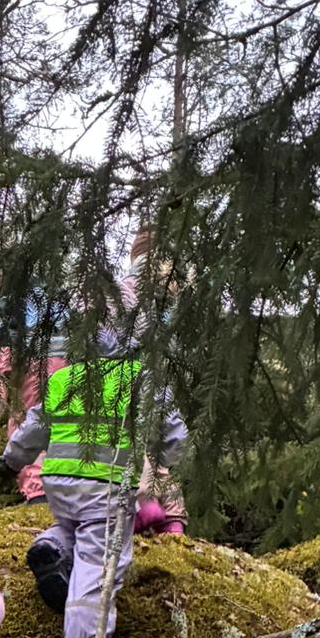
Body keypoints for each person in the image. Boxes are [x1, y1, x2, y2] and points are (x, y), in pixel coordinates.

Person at [0, 321, 186, 638]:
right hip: (104, 484)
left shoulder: (64, 378)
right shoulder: (140, 379)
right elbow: (174, 434)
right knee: (99, 564)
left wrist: (10, 462)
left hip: (59, 483)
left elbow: (34, 427)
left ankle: (53, 546)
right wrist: (164, 464)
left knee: (73, 526)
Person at [121, 227, 187, 537]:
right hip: (160, 379)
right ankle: (173, 525)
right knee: (162, 455)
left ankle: (142, 510)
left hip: (128, 378)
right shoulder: (169, 294)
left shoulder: (124, 290)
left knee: (133, 450)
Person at [0, 277, 71, 504]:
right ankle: (62, 481)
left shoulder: (9, 303)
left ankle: (37, 491)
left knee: (26, 421)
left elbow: (4, 352)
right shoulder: (56, 297)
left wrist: (1, 384)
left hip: (29, 362)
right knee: (59, 422)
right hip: (64, 361)